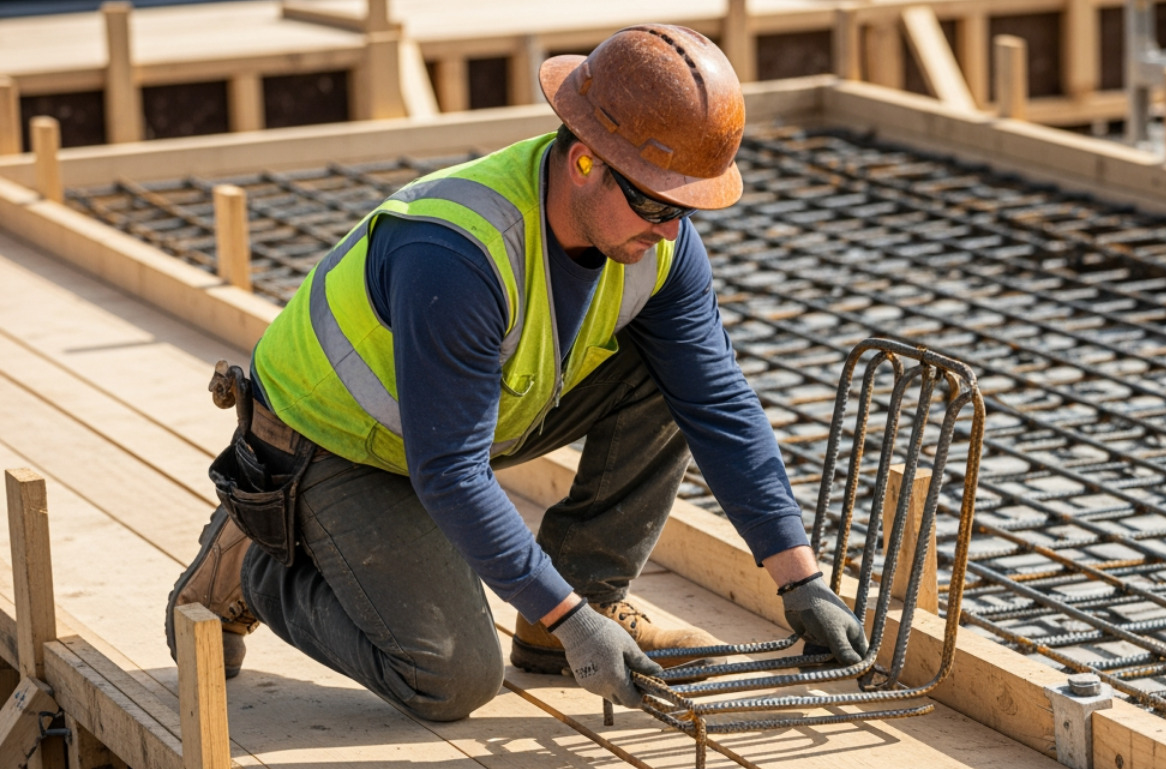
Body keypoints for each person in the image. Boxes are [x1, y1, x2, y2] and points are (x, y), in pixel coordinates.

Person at [165, 24, 869, 720]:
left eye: (686, 208)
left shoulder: (660, 242)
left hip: (456, 419)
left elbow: (716, 401)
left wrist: (799, 580)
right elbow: (450, 471)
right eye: (655, 202)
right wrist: (569, 620)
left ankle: (580, 600)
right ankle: (258, 566)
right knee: (453, 677)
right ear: (585, 162)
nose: (669, 230)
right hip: (329, 442)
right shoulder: (457, 253)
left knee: (672, 375)